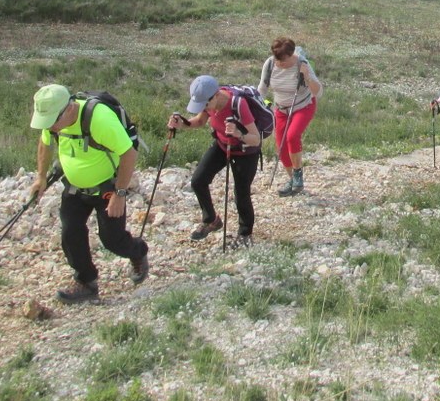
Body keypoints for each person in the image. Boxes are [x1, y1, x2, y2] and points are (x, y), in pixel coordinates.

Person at [28, 84, 149, 304]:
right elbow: (45, 144)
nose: (51, 128)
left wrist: (119, 194)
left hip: (107, 188)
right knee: (70, 232)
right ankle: (86, 282)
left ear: (69, 109)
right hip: (74, 187)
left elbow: (128, 154)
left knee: (112, 240)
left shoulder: (98, 118)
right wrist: (41, 177)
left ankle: (138, 251)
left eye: (53, 123)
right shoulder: (54, 121)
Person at [168, 75, 261, 248]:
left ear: (216, 95)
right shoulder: (209, 102)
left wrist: (238, 134)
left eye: (205, 104)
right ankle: (211, 220)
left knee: (241, 193)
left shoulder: (238, 104)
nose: (203, 108)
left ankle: (245, 234)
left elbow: (256, 139)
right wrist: (182, 124)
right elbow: (200, 121)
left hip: (245, 151)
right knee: (198, 181)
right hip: (222, 144)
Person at [258, 37, 323, 196]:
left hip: (303, 106)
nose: (281, 63)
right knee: (280, 147)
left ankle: (298, 174)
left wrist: (306, 76)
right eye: (277, 59)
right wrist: (264, 103)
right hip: (280, 109)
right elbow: (262, 89)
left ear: (292, 54)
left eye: (284, 61)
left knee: (292, 136)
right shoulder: (270, 64)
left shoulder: (302, 64)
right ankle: (293, 182)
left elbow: (318, 92)